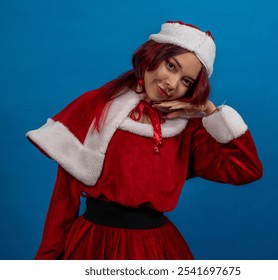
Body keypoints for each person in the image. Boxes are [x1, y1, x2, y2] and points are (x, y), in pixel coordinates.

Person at [26, 20, 263, 260]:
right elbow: (63, 202)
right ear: (153, 56)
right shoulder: (96, 108)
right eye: (171, 66)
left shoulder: (187, 129)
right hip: (94, 246)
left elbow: (246, 170)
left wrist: (209, 110)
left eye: (186, 81)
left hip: (156, 250)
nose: (172, 84)